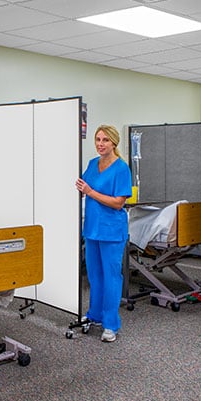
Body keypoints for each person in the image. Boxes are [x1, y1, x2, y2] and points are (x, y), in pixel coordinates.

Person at [75, 124, 132, 342]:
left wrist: (90, 192)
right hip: (92, 229)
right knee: (95, 276)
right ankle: (94, 315)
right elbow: (82, 187)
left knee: (111, 277)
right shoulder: (92, 164)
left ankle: (110, 324)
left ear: (114, 143)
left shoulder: (121, 169)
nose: (100, 144)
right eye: (98, 140)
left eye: (105, 140)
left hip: (111, 231)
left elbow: (118, 203)